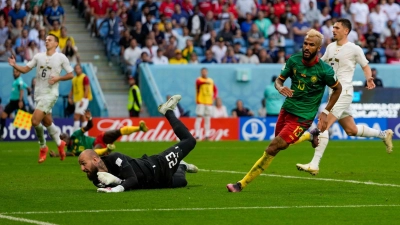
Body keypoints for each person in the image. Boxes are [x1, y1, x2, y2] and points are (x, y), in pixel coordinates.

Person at [226, 29, 343, 192]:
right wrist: (280, 88)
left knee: (273, 147)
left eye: (311, 45)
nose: (307, 47)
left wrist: (325, 112)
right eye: (305, 44)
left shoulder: (324, 71)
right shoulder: (294, 60)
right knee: (282, 144)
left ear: (318, 49)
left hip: (303, 116)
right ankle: (311, 135)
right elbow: (278, 81)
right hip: (286, 110)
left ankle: (241, 184)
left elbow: (338, 89)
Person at [295, 19, 393, 176]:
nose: (333, 30)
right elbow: (321, 64)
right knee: (351, 130)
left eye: (337, 27)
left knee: (323, 125)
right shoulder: (330, 47)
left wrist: (369, 78)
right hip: (333, 94)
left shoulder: (354, 49)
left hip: (344, 92)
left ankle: (314, 164)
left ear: (346, 31)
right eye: (333, 27)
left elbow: (365, 65)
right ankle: (383, 134)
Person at [78, 95, 199, 193]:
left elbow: (132, 180)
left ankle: (168, 111)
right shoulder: (96, 180)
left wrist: (116, 187)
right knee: (182, 181)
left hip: (159, 165)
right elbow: (128, 183)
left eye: (83, 164)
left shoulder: (114, 158)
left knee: (190, 141)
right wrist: (116, 182)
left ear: (94, 160)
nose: (82, 169)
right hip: (158, 183)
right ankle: (182, 165)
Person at [8, 34, 74, 163]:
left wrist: (58, 78)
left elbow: (71, 74)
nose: (47, 41)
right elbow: (26, 69)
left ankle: (43, 146)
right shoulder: (38, 56)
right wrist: (14, 65)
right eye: (46, 40)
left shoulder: (61, 57)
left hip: (51, 94)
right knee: (47, 122)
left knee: (34, 120)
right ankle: (60, 144)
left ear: (56, 43)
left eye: (50, 40)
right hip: (38, 94)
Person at [51, 110, 148, 157]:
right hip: (97, 149)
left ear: (67, 136)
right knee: (92, 153)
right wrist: (56, 154)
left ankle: (140, 128)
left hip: (99, 139)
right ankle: (107, 149)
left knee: (117, 131)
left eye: (64, 137)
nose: (63, 140)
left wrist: (89, 119)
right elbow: (66, 154)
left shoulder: (76, 134)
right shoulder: (71, 150)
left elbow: (89, 126)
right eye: (61, 139)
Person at [0, 69, 30, 139]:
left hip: (18, 101)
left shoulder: (19, 81)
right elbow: (25, 86)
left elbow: (21, 90)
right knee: (3, 116)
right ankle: (1, 133)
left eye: (16, 72)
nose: (14, 73)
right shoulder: (18, 80)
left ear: (20, 73)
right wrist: (28, 89)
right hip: (12, 102)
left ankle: (37, 130)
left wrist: (20, 101)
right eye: (14, 72)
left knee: (27, 117)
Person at [194, 68, 217, 140]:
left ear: (207, 72)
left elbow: (215, 89)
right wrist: (205, 82)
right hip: (201, 101)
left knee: (207, 119)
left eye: (205, 72)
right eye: (202, 72)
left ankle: (207, 135)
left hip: (209, 102)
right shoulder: (199, 79)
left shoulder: (211, 80)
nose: (204, 73)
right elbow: (198, 83)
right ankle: (197, 135)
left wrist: (214, 97)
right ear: (201, 72)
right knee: (199, 118)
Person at [69, 64, 92, 131]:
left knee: (76, 117)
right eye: (76, 69)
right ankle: (85, 135)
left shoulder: (85, 77)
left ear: (81, 69)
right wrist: (69, 97)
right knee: (82, 117)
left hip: (83, 100)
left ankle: (75, 134)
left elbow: (86, 89)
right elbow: (72, 89)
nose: (77, 70)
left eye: (78, 68)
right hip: (77, 100)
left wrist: (83, 100)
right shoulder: (74, 79)